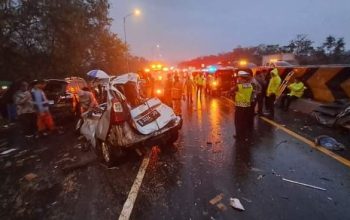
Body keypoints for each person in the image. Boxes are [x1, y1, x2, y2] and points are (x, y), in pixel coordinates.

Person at [233, 71, 254, 141]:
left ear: (243, 79)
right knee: (244, 121)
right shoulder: (250, 85)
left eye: (239, 78)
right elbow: (251, 95)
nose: (238, 79)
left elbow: (231, 91)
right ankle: (244, 135)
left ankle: (238, 135)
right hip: (247, 106)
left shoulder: (239, 86)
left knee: (238, 121)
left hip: (239, 107)